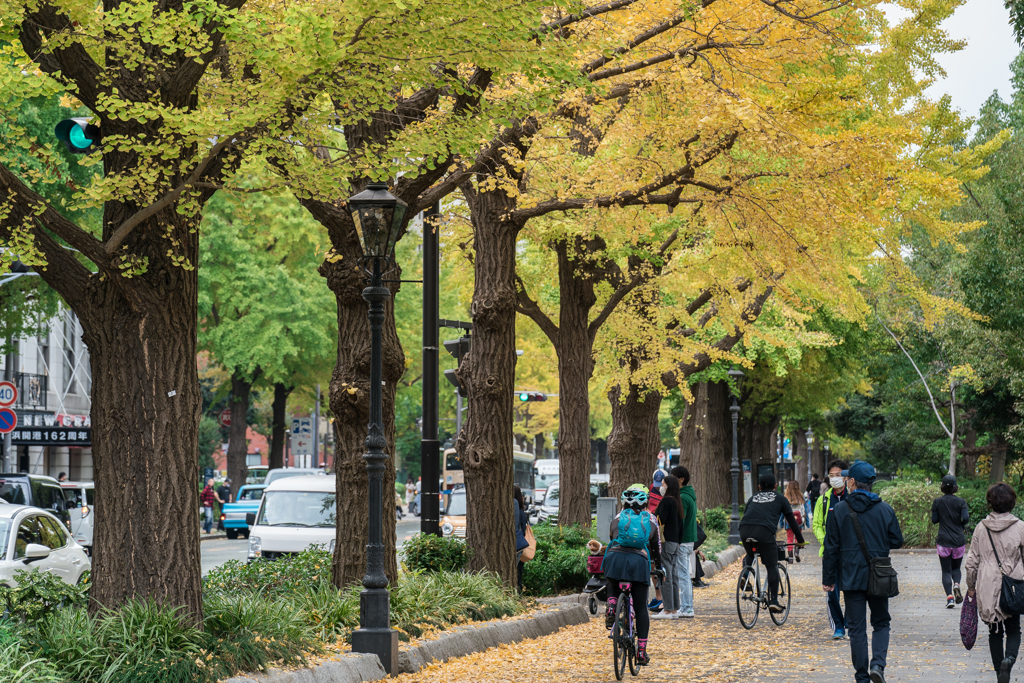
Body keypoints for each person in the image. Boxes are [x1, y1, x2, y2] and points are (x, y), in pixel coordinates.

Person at [822, 460, 903, 683]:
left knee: (856, 629)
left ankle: (862, 676)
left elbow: (831, 547)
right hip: (879, 576)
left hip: (851, 576)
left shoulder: (839, 510)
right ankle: (878, 664)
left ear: (853, 483)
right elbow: (897, 540)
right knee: (881, 622)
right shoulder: (885, 509)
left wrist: (829, 579)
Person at [965, 483, 1024, 683]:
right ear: (1011, 502)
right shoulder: (1020, 527)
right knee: (1014, 628)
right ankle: (1009, 659)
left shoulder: (981, 528)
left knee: (994, 631)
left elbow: (971, 562)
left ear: (990, 502)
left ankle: (1000, 673)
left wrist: (971, 587)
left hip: (987, 586)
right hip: (1014, 585)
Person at [601, 484, 662, 666]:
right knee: (641, 608)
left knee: (613, 578)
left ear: (623, 504)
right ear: (645, 505)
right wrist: (659, 567)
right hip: (639, 563)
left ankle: (612, 606)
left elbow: (612, 539)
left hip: (616, 558)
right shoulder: (650, 520)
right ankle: (641, 652)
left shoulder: (617, 519)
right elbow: (656, 549)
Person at [740, 473, 805, 613]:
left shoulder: (753, 498)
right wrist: (800, 540)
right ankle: (774, 600)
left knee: (750, 553)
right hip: (764, 531)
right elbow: (792, 521)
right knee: (771, 565)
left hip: (744, 529)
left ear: (759, 487)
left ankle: (744, 576)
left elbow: (747, 514)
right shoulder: (781, 498)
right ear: (776, 486)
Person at [815, 458, 850, 639]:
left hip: (850, 553)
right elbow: (817, 525)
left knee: (852, 591)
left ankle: (850, 624)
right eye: (831, 475)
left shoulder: (852, 497)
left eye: (838, 475)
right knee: (832, 592)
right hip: (830, 554)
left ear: (845, 477)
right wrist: (826, 541)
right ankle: (838, 626)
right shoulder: (823, 500)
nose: (835, 478)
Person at [932, 474, 970, 608]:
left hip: (943, 541)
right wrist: (959, 523)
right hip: (958, 540)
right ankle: (957, 585)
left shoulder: (937, 501)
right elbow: (965, 519)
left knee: (946, 571)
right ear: (955, 487)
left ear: (942, 486)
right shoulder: (961, 502)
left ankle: (950, 599)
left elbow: (934, 520)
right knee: (956, 568)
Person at [653, 475, 684, 619]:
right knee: (673, 575)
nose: (661, 486)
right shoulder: (677, 502)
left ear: (669, 486)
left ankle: (667, 609)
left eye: (663, 484)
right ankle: (674, 609)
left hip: (666, 542)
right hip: (675, 542)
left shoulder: (666, 501)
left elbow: (659, 520)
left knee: (665, 575)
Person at [672, 465, 698, 618]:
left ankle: (687, 607)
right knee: (684, 575)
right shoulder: (689, 495)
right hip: (689, 541)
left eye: (673, 477)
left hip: (683, 541)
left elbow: (680, 520)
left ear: (681, 480)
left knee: (683, 575)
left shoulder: (682, 497)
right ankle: (687, 606)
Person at [514, 485, 530, 593]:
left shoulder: (516, 509)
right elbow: (523, 529)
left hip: (516, 545)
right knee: (519, 571)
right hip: (520, 545)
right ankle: (519, 593)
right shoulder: (520, 511)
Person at [784, 480, 805, 562]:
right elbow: (805, 509)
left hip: (788, 521)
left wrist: (782, 523)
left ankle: (790, 557)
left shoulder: (786, 498)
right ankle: (797, 553)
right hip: (799, 521)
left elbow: (782, 512)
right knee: (797, 537)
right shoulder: (801, 497)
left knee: (789, 539)